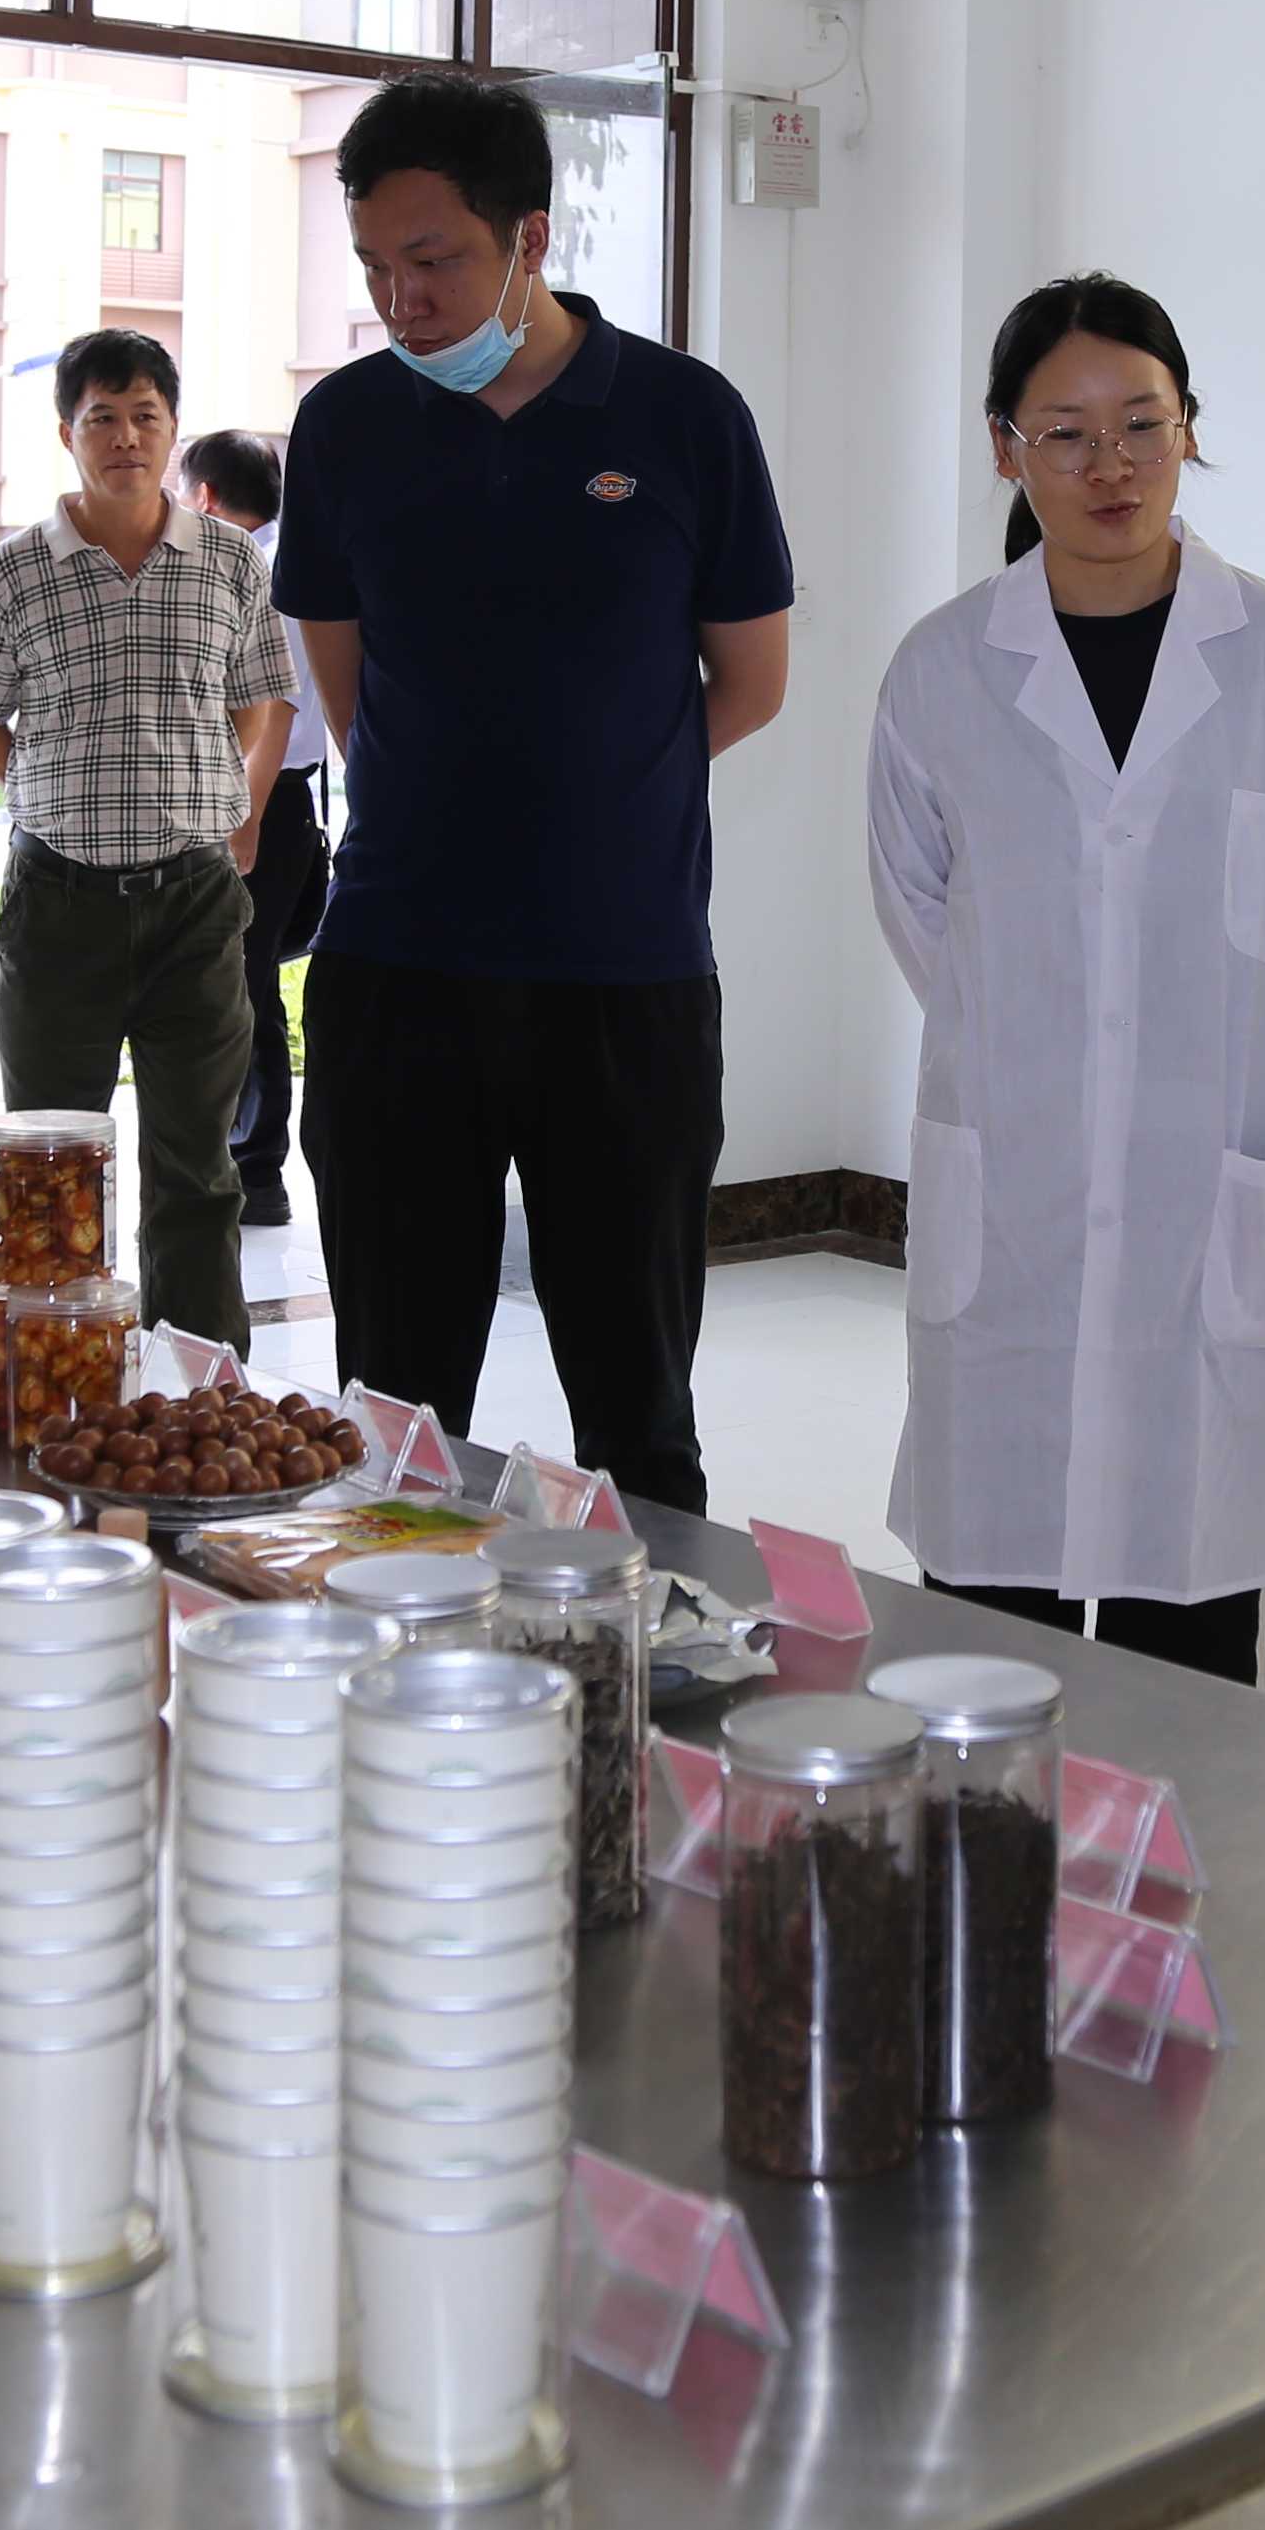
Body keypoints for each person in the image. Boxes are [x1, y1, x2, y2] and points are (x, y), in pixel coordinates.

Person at [278, 76, 795, 1512]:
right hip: (398, 968)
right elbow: (350, 694)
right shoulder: (348, 428)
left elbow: (750, 683)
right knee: (395, 1417)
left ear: (530, 239)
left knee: (641, 1418)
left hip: (624, 978)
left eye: (433, 258)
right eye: (374, 267)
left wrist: (596, 793)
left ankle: (651, 1651)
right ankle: (393, 1645)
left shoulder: (686, 417)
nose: (402, 300)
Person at [865, 277, 1265, 1686]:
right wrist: (1049, 1036)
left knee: (1189, 1659)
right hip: (1009, 1194)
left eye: (1143, 424)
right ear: (1005, 448)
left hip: (1210, 1203)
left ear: (1188, 429)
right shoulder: (943, 670)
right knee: (987, 1655)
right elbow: (922, 918)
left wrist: (1168, 1047)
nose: (1111, 466)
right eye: (1067, 433)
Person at [0, 330, 291, 1339]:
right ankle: (55, 1387)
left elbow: (256, 702)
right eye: (101, 418)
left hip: (195, 903)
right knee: (49, 1171)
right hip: (59, 905)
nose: (125, 438)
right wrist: (51, 791)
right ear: (66, 433)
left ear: (172, 429)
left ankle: (200, 1388)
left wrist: (219, 803)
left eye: (145, 416)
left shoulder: (229, 562)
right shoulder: (12, 573)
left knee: (197, 1170)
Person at [182, 424, 329, 1235]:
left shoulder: (241, 573)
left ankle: (253, 1165)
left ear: (204, 497)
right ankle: (252, 1162)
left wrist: (242, 816)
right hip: (289, 802)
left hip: (250, 803)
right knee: (252, 978)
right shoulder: (299, 563)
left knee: (236, 982)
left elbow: (266, 709)